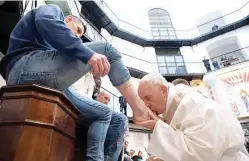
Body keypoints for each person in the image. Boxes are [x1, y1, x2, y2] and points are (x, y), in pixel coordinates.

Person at [0, 5, 156, 161]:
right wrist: (87, 53)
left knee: (110, 116)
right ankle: (139, 109)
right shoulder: (52, 10)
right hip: (24, 67)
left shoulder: (57, 49)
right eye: (78, 30)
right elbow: (45, 21)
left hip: (48, 81)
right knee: (107, 50)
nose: (78, 37)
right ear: (68, 19)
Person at [136, 73, 249, 161]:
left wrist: (158, 127)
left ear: (163, 90)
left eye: (148, 98)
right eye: (143, 100)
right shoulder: (176, 107)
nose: (146, 104)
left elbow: (202, 154)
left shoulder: (194, 105)